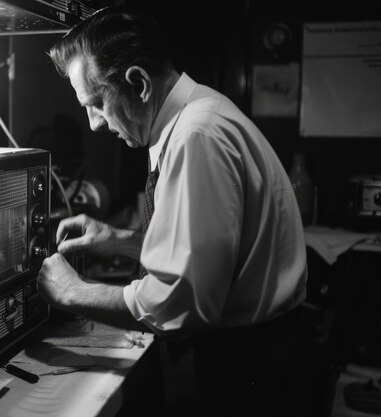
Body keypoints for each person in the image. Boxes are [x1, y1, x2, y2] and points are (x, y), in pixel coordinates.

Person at [36, 6, 317, 417]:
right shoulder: (198, 115)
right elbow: (211, 252)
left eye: (96, 102)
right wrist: (120, 241)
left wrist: (70, 291)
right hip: (262, 350)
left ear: (139, 83)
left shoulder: (195, 135)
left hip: (253, 367)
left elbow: (181, 304)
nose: (94, 123)